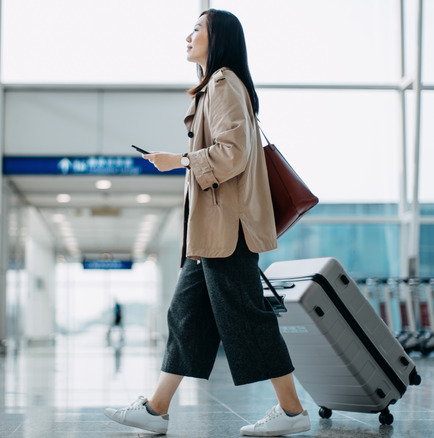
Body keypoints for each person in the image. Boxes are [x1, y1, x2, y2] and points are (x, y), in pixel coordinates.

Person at [104, 9, 310, 437]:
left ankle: (292, 412)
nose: (188, 35)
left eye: (197, 29)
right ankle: (156, 409)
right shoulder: (213, 87)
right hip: (211, 234)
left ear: (217, 39)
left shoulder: (222, 83)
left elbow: (232, 153)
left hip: (225, 231)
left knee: (246, 317)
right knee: (186, 316)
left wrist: (177, 161)